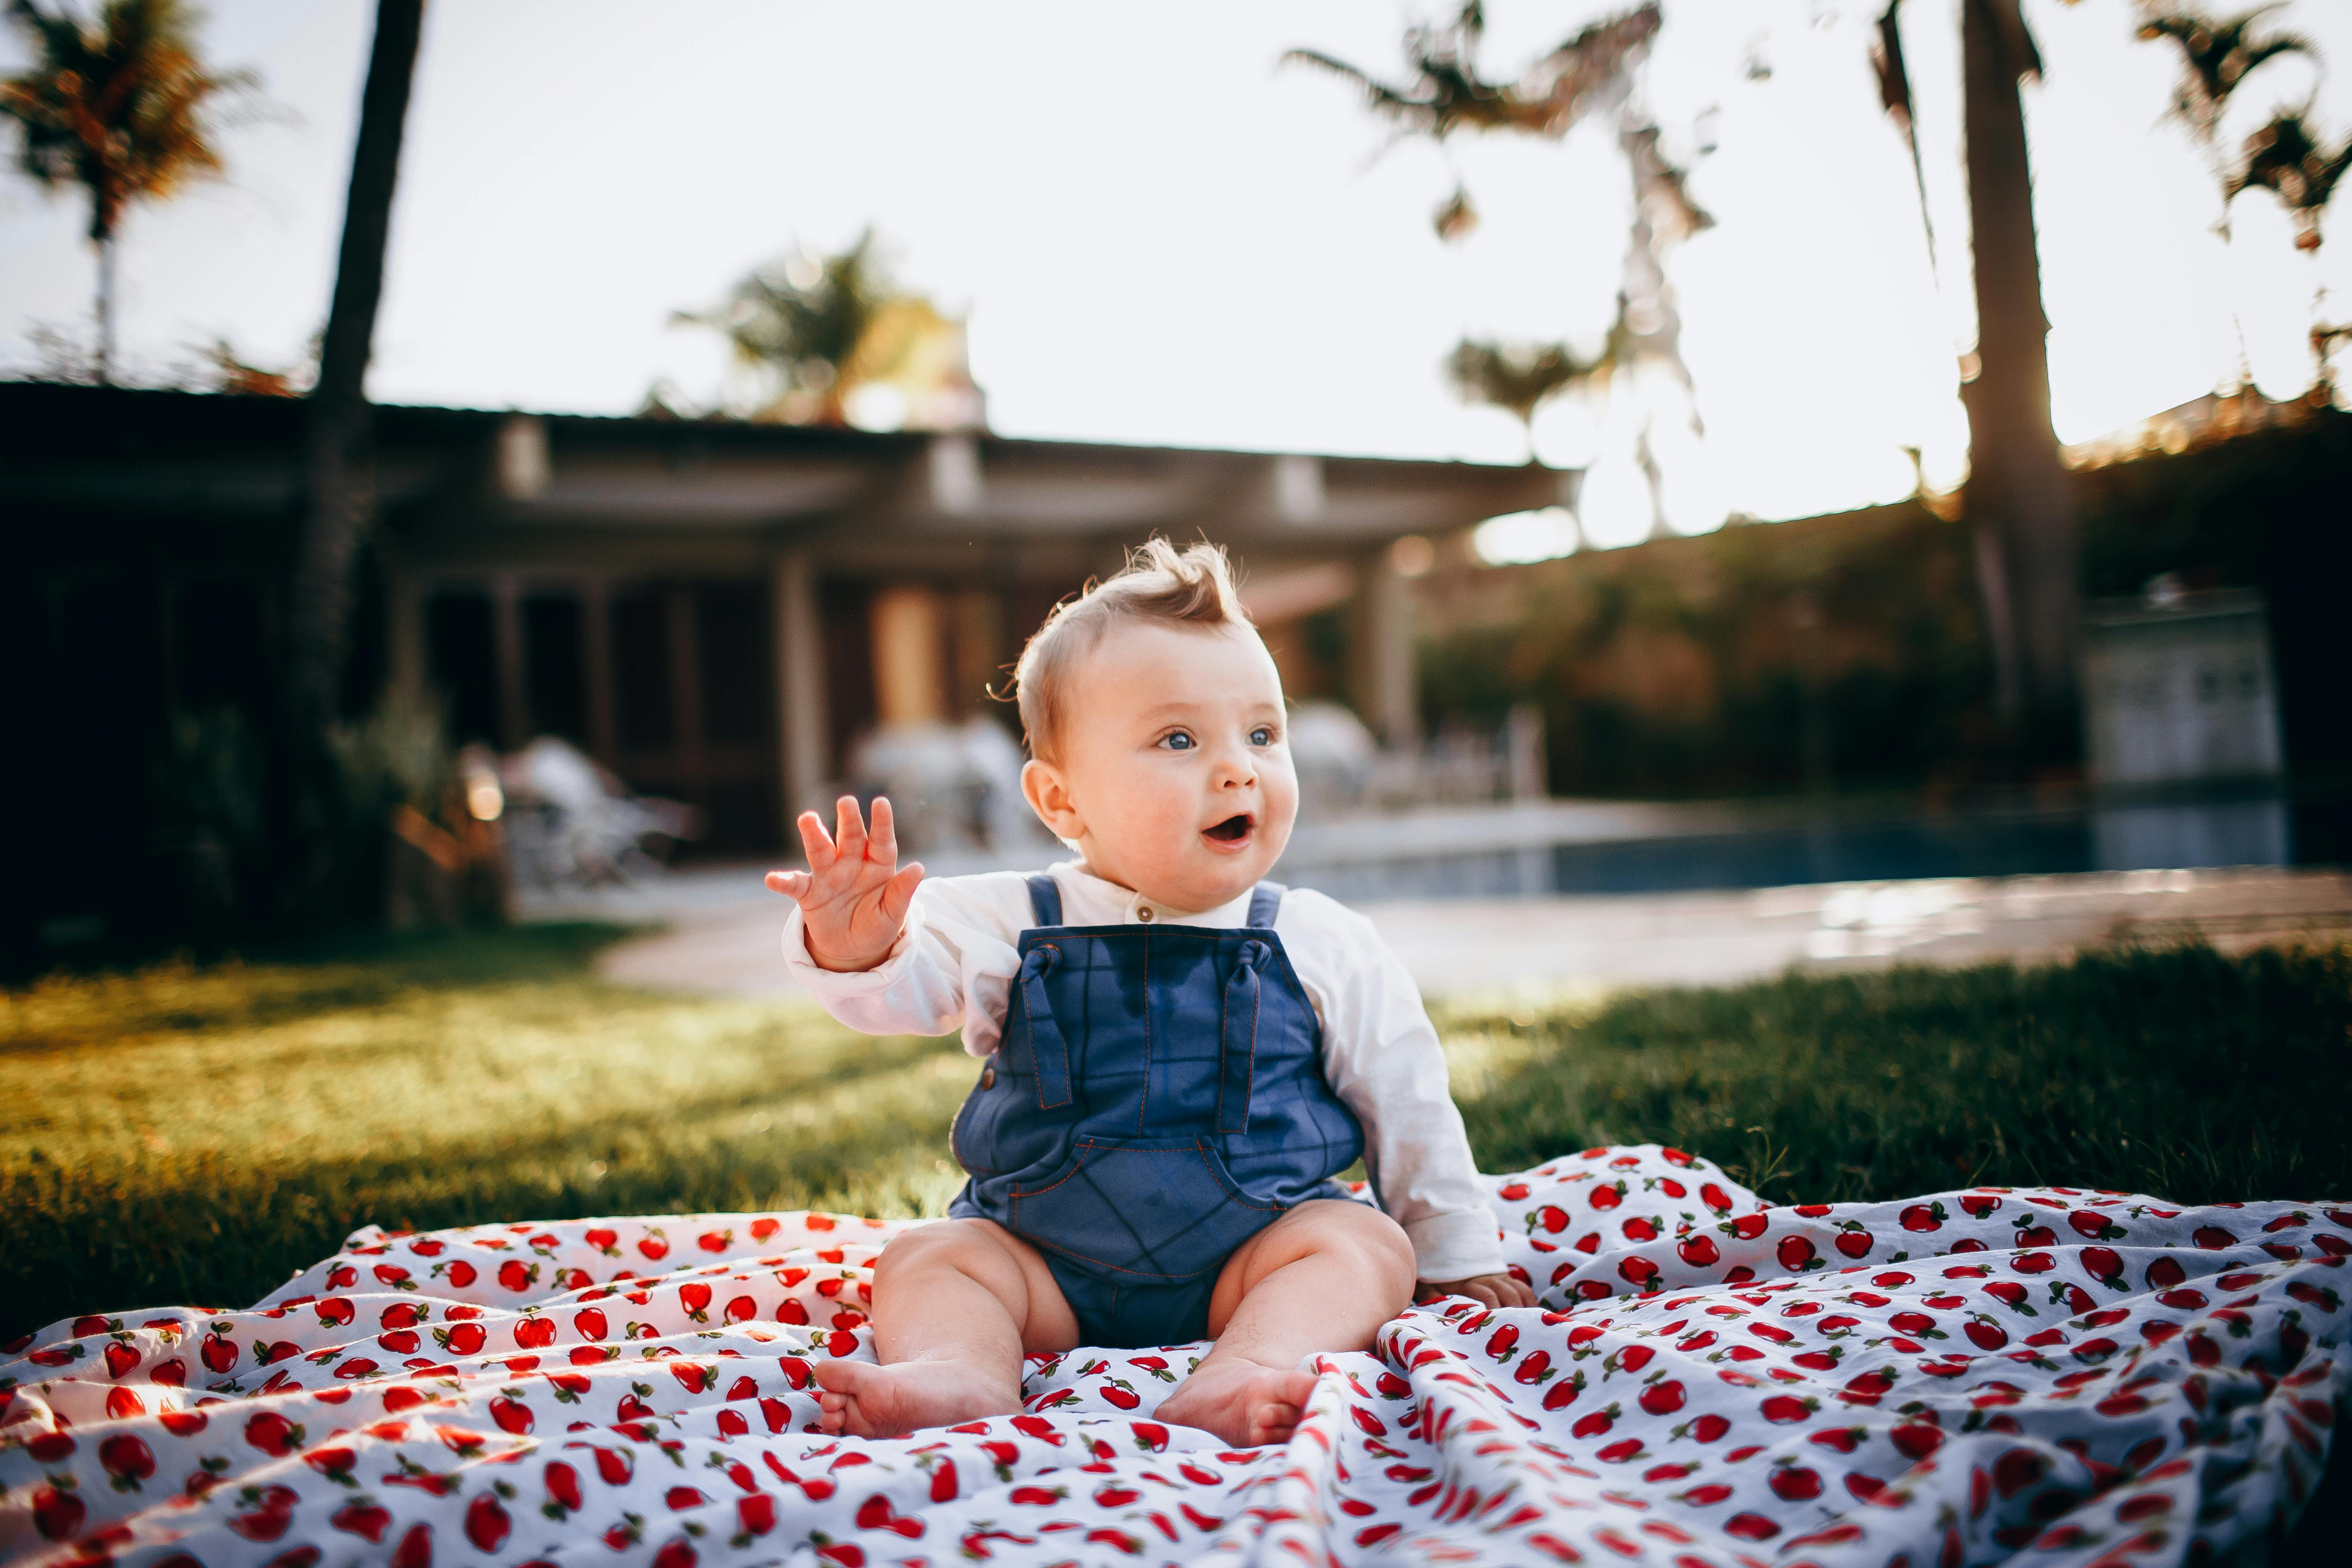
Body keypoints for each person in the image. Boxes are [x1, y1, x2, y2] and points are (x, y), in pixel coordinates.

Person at [767, 540, 1530, 1448]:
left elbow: (1408, 1101)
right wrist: (856, 945)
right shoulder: (1011, 917)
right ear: (1062, 802)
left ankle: (1245, 1369)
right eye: (1179, 739)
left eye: (1262, 734)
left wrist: (1453, 1254)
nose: (1238, 768)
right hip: (1042, 1266)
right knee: (930, 1257)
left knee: (1364, 1249)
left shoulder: (1318, 936)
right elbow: (907, 988)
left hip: (1250, 1263)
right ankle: (962, 1373)